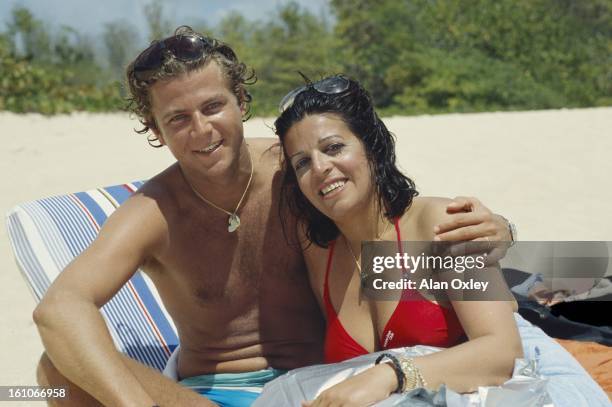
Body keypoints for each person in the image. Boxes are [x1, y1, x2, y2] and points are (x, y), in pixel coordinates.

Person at [32, 27, 514, 407]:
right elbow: (58, 308)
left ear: (241, 103)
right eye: (177, 118)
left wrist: (501, 230)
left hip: (316, 384)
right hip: (210, 394)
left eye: (213, 106)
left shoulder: (300, 172)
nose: (201, 130)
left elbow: (397, 223)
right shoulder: (154, 212)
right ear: (155, 130)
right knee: (51, 375)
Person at [273, 74, 610, 406]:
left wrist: (389, 374)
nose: (320, 167)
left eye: (333, 147)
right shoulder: (322, 252)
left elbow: (503, 354)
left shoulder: (438, 224)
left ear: (371, 148)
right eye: (302, 162)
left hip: (527, 384)